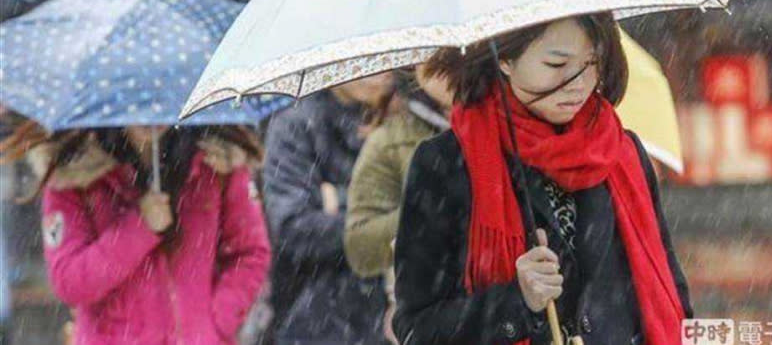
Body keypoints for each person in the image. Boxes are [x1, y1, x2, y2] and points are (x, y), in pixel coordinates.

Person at [392, 15, 694, 345]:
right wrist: (515, 302)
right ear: (505, 59)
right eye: (556, 64)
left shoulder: (622, 152)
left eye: (591, 62)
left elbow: (672, 293)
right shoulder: (446, 163)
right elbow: (415, 329)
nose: (578, 82)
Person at [0, 122, 271, 345]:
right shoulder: (71, 172)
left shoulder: (218, 160)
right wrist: (140, 227)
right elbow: (69, 280)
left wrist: (214, 324)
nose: (149, 114)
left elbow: (249, 253)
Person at [264, 74, 393, 345]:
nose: (376, 75)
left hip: (399, 316)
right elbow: (294, 230)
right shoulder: (296, 125)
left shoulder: (409, 119)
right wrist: (385, 223)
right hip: (317, 319)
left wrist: (340, 201)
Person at [344, 67, 453, 344]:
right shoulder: (389, 141)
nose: (447, 64)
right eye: (433, 57)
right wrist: (428, 209)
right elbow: (360, 248)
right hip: (435, 314)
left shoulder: (511, 120)